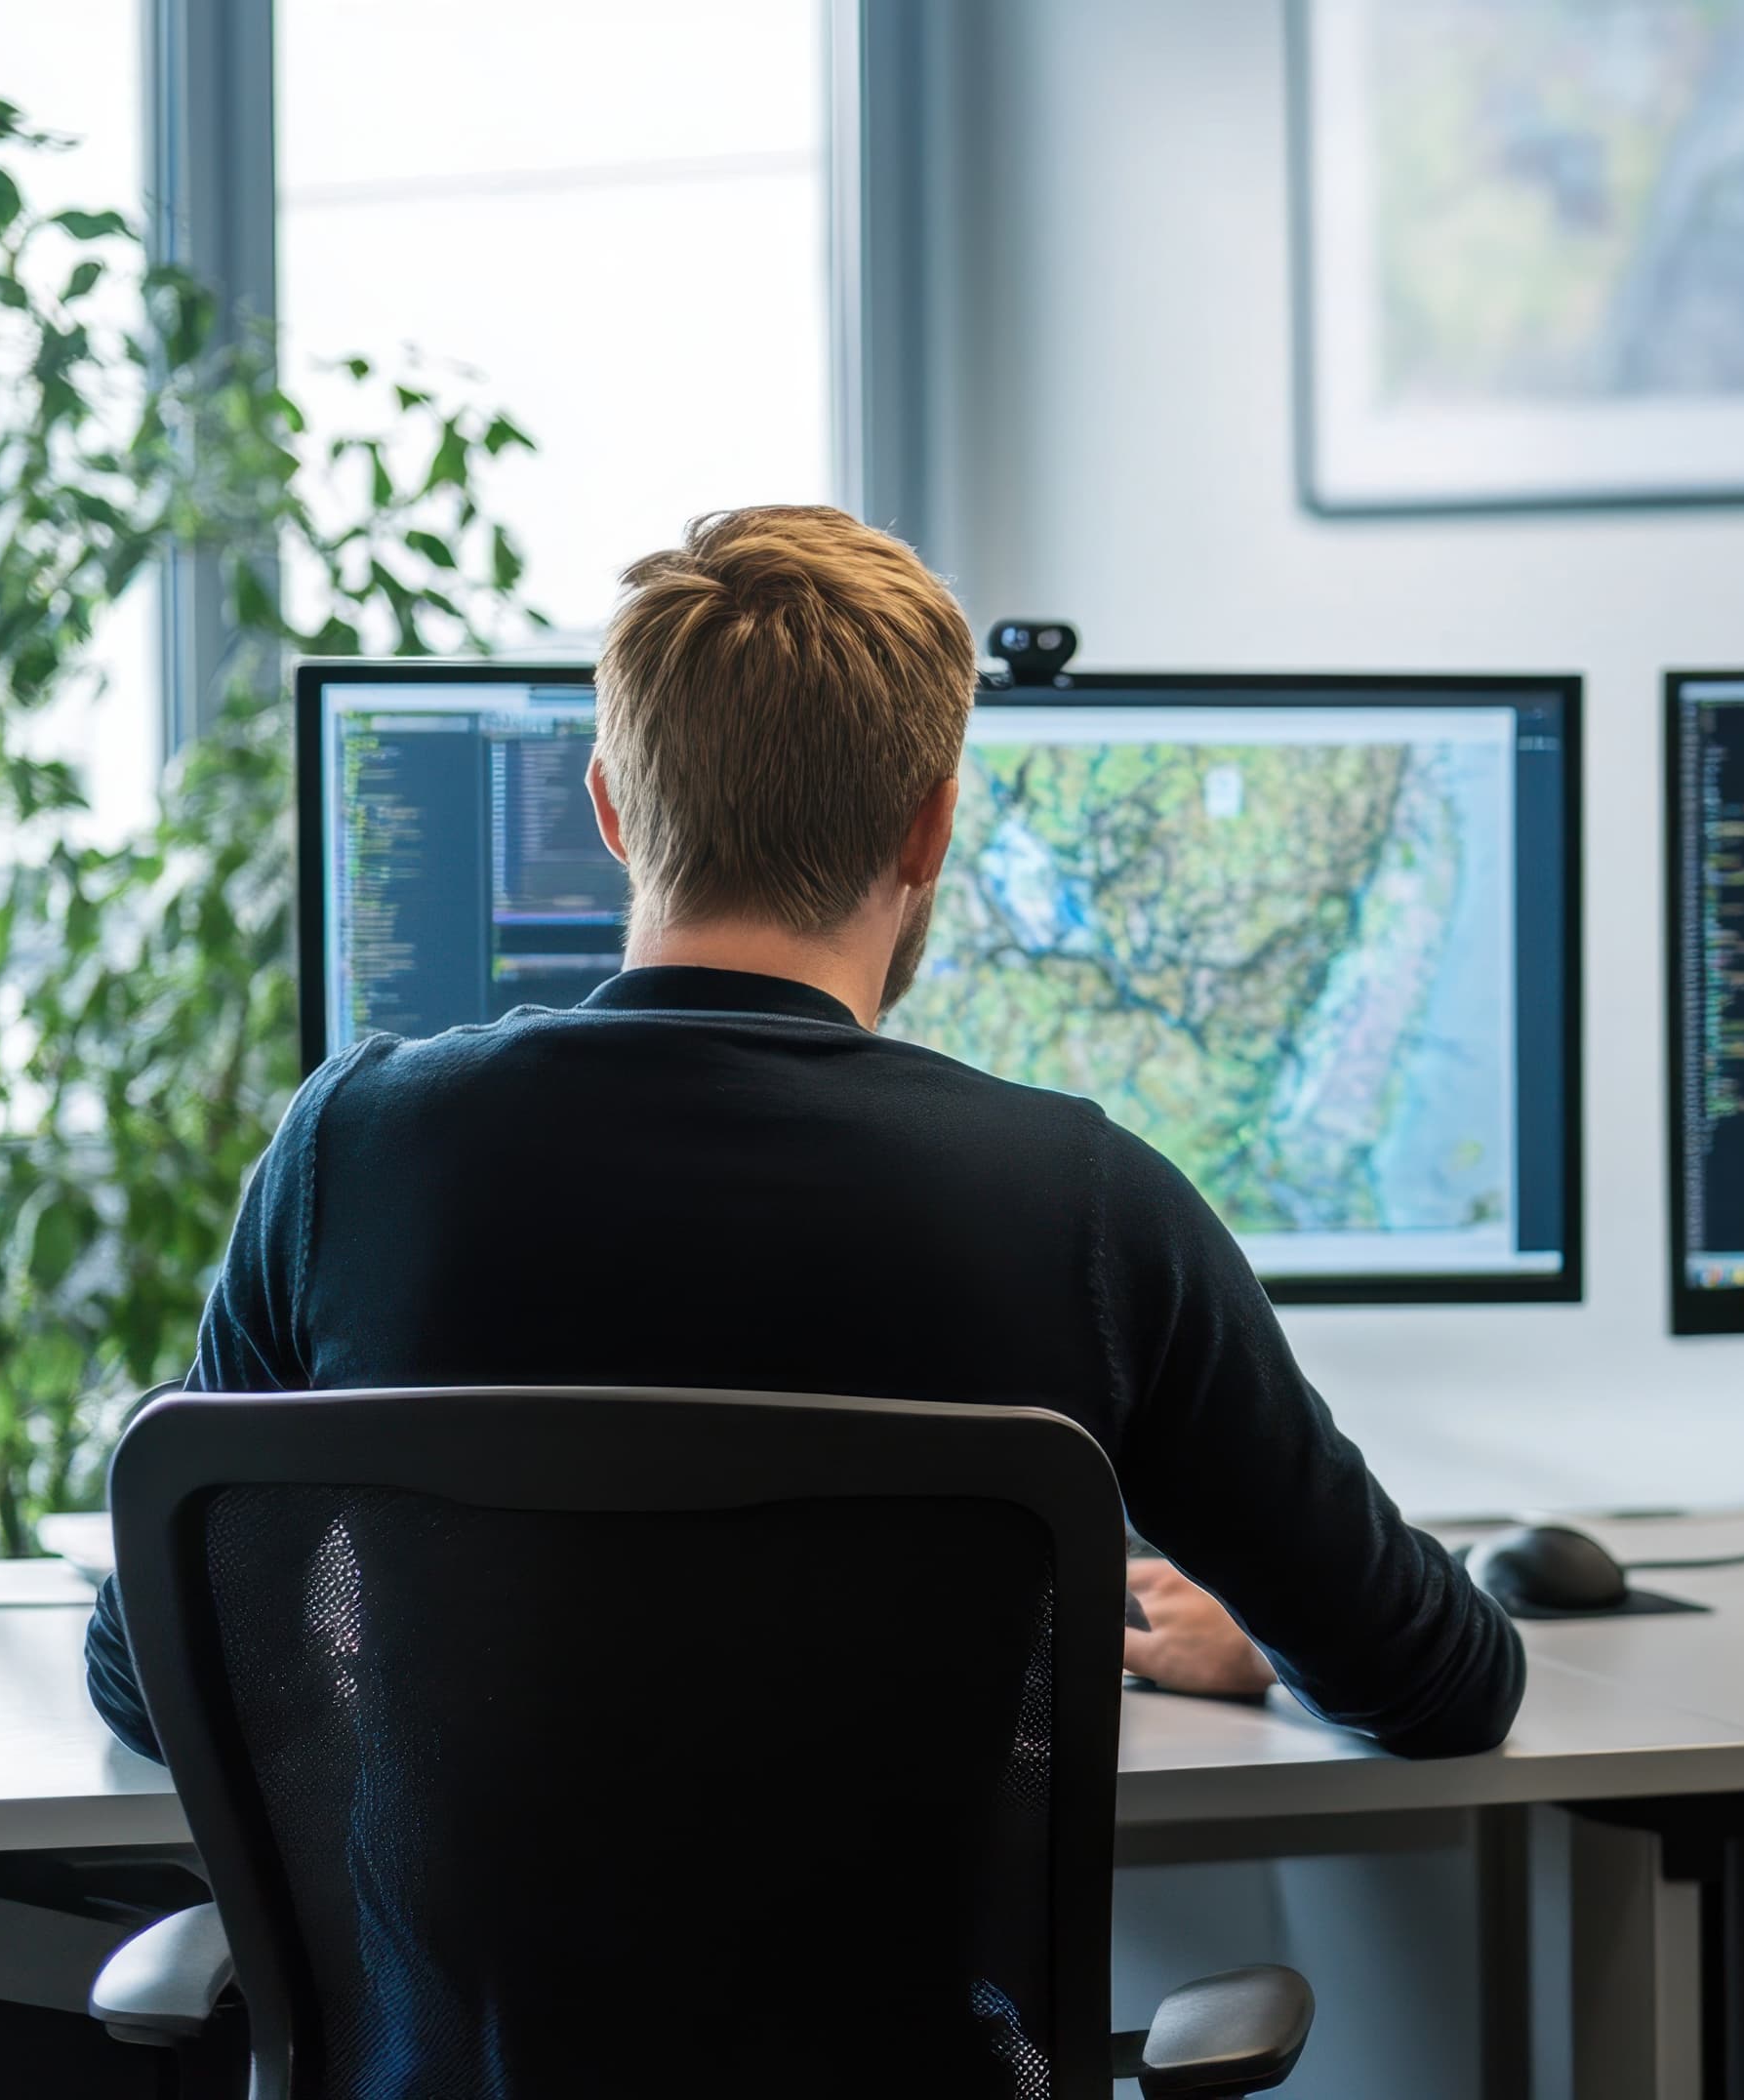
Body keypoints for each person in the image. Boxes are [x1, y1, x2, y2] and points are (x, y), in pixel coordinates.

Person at [86, 505, 1521, 1764]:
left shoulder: (355, 1151)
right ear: (932, 829)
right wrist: (1259, 1642)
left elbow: (146, 1679)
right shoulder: (1089, 1207)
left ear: (610, 811)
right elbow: (1443, 1688)